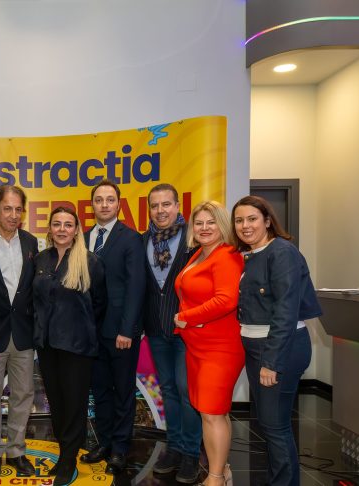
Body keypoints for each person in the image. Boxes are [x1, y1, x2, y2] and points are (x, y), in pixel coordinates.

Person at [232, 195, 322, 486]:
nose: (245, 226)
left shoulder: (282, 252)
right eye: (239, 220)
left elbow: (285, 311)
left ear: (268, 220)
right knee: (269, 424)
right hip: (258, 347)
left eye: (252, 219)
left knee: (275, 425)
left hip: (279, 348)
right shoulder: (253, 254)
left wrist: (271, 362)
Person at [33, 206, 107, 486]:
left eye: (68, 224)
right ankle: (64, 452)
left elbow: (99, 303)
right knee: (57, 404)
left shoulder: (90, 262)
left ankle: (68, 459)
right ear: (50, 229)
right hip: (47, 345)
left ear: (76, 230)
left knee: (74, 405)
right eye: (57, 224)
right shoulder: (41, 259)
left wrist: (81, 327)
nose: (62, 229)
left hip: (77, 346)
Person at [173, 200, 244, 486]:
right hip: (197, 346)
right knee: (211, 413)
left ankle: (214, 479)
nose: (204, 228)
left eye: (211, 222)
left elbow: (226, 300)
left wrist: (186, 317)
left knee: (212, 414)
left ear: (222, 225)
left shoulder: (227, 255)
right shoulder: (200, 254)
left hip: (220, 348)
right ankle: (222, 470)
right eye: (199, 223)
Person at [79, 180, 146, 473]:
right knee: (101, 391)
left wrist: (127, 330)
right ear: (92, 205)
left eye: (109, 199)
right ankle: (104, 442)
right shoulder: (82, 238)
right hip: (90, 333)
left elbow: (135, 287)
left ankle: (120, 448)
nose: (104, 204)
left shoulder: (131, 238)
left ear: (118, 204)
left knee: (123, 392)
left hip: (120, 332)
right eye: (99, 200)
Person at [0, 185, 39, 478]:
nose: (13, 215)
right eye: (7, 209)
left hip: (23, 333)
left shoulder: (30, 242)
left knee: (23, 395)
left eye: (18, 209)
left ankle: (16, 451)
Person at [142, 183, 202, 483]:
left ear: (178, 206)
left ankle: (191, 453)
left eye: (166, 204)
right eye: (154, 206)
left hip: (187, 329)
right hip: (155, 327)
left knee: (186, 390)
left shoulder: (195, 239)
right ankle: (174, 447)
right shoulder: (142, 240)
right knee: (167, 389)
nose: (160, 210)